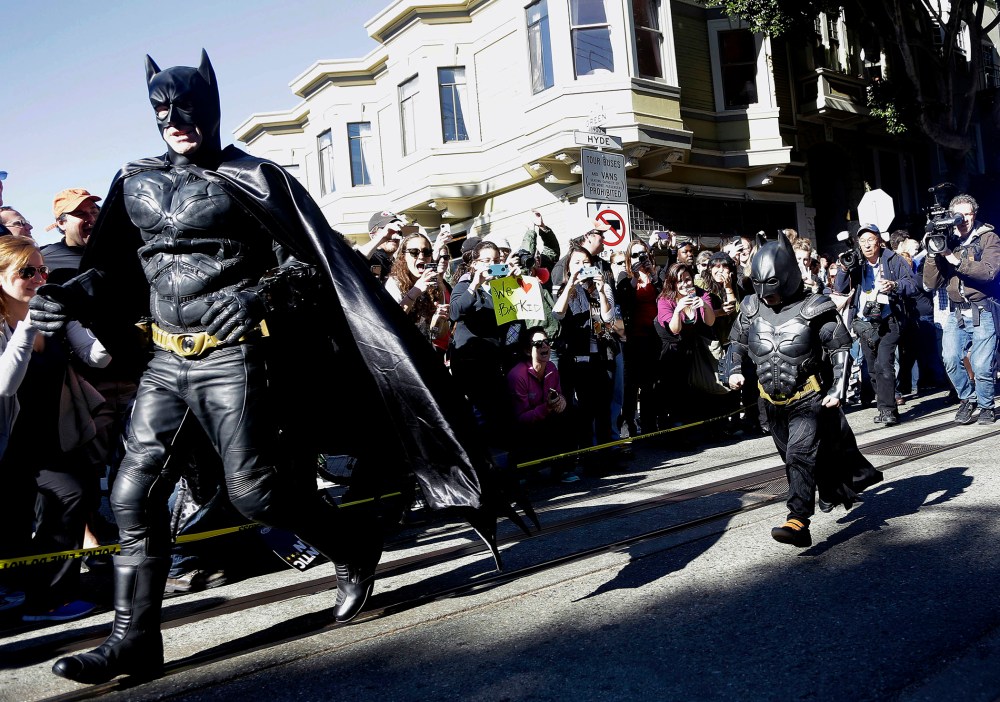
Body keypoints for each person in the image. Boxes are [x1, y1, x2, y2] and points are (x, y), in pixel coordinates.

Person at [32, 51, 505, 685]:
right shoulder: (135, 181)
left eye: (188, 106)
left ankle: (351, 544)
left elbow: (313, 264)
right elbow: (114, 273)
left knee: (256, 493)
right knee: (130, 497)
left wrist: (258, 294)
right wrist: (67, 294)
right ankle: (132, 641)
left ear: (212, 103)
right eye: (163, 108)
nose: (177, 119)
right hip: (168, 360)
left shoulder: (253, 177)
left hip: (238, 356)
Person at [725, 232, 883, 547]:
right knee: (797, 458)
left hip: (807, 398)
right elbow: (736, 344)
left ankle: (798, 520)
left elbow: (840, 348)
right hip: (770, 403)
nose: (767, 297)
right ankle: (831, 486)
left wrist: (837, 388)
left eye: (772, 289)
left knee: (799, 455)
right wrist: (731, 371)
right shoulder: (750, 307)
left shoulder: (815, 306)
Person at [0, 236, 110, 621]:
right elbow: (4, 385)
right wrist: (30, 326)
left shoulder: (53, 312)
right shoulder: (7, 323)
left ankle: (48, 597)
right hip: (9, 443)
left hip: (51, 437)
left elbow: (98, 357)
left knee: (74, 497)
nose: (38, 279)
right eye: (26, 272)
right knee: (21, 519)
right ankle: (38, 599)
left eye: (42, 270)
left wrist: (88, 316)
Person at [923, 193, 1000, 425]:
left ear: (975, 214)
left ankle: (987, 406)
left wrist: (954, 259)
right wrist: (932, 252)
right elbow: (931, 283)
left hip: (983, 309)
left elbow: (989, 272)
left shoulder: (988, 238)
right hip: (956, 312)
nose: (963, 219)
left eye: (968, 214)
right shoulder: (947, 239)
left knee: (980, 364)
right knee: (950, 357)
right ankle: (968, 399)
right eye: (959, 215)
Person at [833, 224, 917, 426]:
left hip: (889, 320)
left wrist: (894, 285)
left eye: (871, 239)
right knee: (872, 369)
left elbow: (912, 284)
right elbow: (840, 287)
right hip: (865, 323)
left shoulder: (893, 259)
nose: (867, 244)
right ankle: (884, 406)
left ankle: (888, 410)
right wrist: (844, 268)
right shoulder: (857, 262)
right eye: (862, 241)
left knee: (884, 364)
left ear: (879, 241)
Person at [552, 245, 617, 453]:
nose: (582, 266)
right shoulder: (564, 289)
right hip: (574, 357)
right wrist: (571, 284)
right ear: (569, 267)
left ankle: (606, 454)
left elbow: (608, 319)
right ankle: (587, 456)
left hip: (599, 354)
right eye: (577, 263)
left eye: (585, 262)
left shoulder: (598, 288)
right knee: (583, 411)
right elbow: (557, 314)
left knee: (602, 408)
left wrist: (600, 291)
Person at [506, 327, 577, 481]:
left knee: (571, 414)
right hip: (523, 426)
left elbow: (558, 394)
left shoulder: (551, 368)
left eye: (547, 342)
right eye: (538, 344)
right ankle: (524, 469)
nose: (545, 346)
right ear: (527, 350)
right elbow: (520, 418)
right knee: (523, 432)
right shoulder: (517, 376)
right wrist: (547, 408)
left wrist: (561, 402)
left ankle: (563, 468)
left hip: (545, 417)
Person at [616, 239, 661, 436]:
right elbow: (623, 299)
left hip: (655, 336)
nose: (639, 258)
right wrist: (634, 277)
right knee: (631, 386)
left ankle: (650, 425)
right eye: (635, 255)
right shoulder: (624, 277)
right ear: (628, 258)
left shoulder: (655, 274)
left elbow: (665, 296)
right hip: (634, 338)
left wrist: (653, 274)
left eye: (642, 254)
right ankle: (628, 426)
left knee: (651, 384)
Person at [385, 231, 450, 348]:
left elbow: (437, 335)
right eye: (414, 252)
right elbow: (390, 322)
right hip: (402, 352)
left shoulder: (434, 284)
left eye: (426, 252)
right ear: (403, 256)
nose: (421, 256)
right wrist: (416, 290)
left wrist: (439, 319)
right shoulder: (394, 283)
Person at [40, 189, 101, 283]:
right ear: (61, 223)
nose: (91, 219)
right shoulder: (43, 261)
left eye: (94, 212)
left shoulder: (122, 249)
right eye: (80, 214)